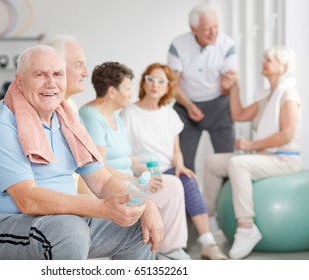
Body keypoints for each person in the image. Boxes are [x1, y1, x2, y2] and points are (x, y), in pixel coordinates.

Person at [0, 45, 163, 260]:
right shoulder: (1, 124)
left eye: (57, 74)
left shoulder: (68, 121)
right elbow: (28, 200)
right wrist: (102, 208)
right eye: (40, 74)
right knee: (69, 230)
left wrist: (144, 204)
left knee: (136, 228)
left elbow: (103, 182)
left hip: (61, 222)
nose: (51, 83)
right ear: (20, 81)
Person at [79, 61, 190, 260]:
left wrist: (148, 175)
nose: (131, 94)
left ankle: (169, 250)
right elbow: (99, 167)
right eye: (128, 89)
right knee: (170, 188)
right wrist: (133, 181)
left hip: (129, 181)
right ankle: (167, 252)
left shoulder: (116, 117)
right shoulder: (91, 116)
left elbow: (130, 160)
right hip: (113, 188)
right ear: (112, 92)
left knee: (172, 184)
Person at [120, 62, 227, 260]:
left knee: (188, 179)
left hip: (168, 169)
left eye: (161, 81)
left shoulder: (170, 115)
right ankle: (168, 249)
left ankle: (207, 243)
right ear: (143, 83)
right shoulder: (129, 114)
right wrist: (142, 171)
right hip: (142, 173)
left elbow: (176, 151)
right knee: (177, 183)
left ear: (168, 87)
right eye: (151, 79)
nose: (155, 85)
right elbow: (125, 153)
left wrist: (180, 165)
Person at [203, 46, 302, 259]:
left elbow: (286, 135)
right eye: (264, 58)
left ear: (283, 67)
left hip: (285, 159)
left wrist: (250, 146)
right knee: (212, 162)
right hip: (265, 157)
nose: (264, 62)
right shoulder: (267, 96)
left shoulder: (289, 94)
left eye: (270, 60)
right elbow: (238, 114)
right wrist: (234, 88)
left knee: (239, 164)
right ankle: (208, 218)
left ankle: (247, 227)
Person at [167, 3, 238, 172]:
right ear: (194, 29)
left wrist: (228, 86)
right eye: (207, 29)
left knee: (226, 160)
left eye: (216, 27)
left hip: (219, 106)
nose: (214, 33)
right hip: (186, 106)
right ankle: (189, 197)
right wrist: (189, 105)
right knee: (183, 161)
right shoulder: (178, 45)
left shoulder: (227, 44)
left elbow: (228, 88)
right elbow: (172, 84)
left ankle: (224, 198)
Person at [46, 34, 89, 194]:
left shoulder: (70, 106)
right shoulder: (39, 114)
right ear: (57, 69)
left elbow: (86, 171)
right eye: (79, 65)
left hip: (74, 196)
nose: (86, 73)